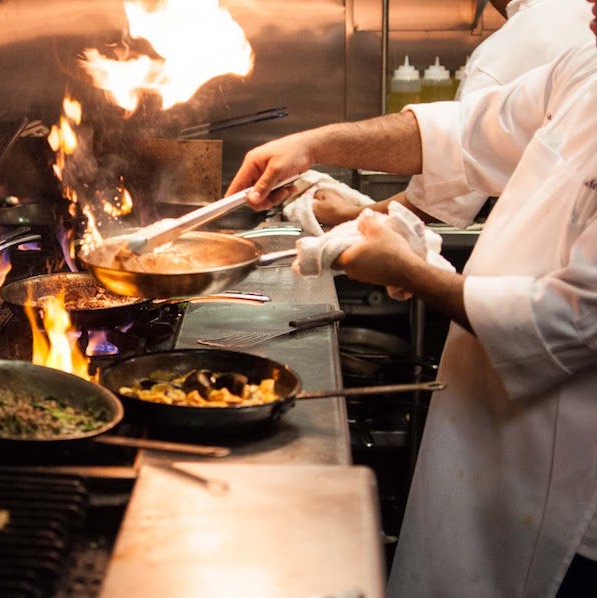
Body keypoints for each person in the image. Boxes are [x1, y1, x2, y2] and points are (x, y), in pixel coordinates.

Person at [225, 1, 597, 595]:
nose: (588, 7)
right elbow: (466, 133)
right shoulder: (588, 63)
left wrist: (413, 273)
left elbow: (575, 320)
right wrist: (316, 142)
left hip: (570, 486)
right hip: (484, 416)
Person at [309, 0, 595, 229]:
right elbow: (453, 135)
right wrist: (314, 145)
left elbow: (448, 191)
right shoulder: (573, 24)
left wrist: (344, 214)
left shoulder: (516, 44)